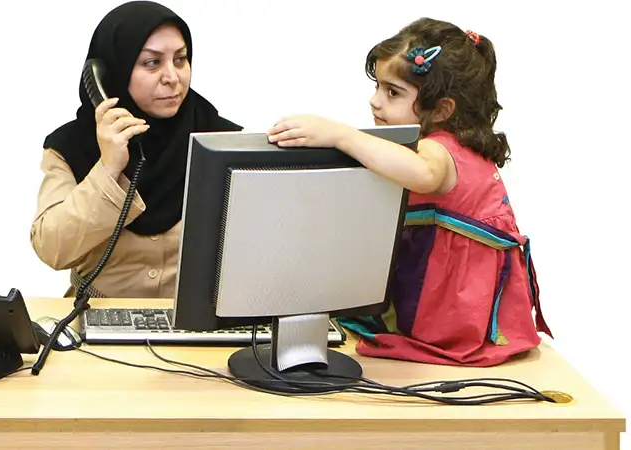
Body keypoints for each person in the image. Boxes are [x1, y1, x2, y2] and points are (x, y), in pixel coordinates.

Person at [266, 17, 552, 367]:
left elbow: (424, 174)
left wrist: (340, 135)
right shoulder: (458, 145)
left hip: (457, 304)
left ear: (443, 109)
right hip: (455, 291)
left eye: (392, 92)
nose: (375, 102)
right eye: (377, 87)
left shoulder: (438, 150)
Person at [30, 1, 242, 299]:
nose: (172, 77)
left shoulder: (221, 141)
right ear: (111, 71)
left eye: (180, 59)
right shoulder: (71, 146)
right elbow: (53, 249)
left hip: (197, 330)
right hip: (99, 323)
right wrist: (107, 168)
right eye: (152, 63)